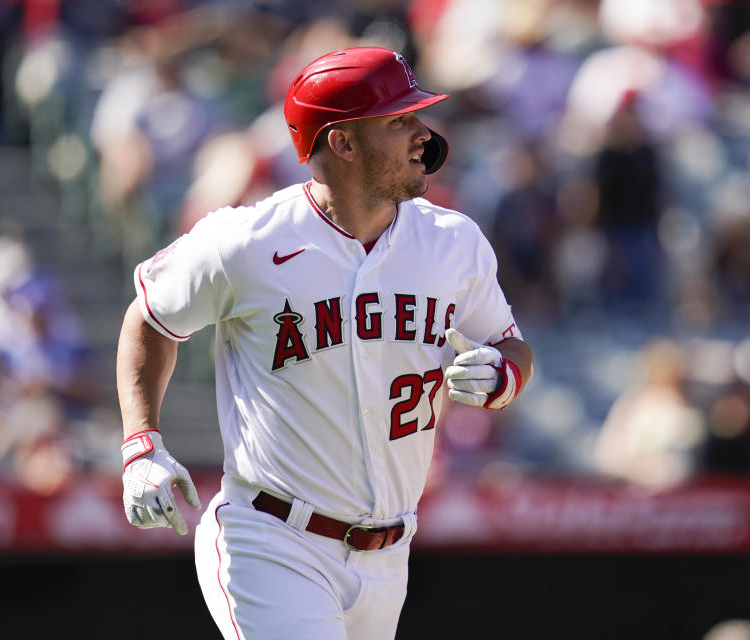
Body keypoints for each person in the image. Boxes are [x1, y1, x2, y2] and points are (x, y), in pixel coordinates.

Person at [115, 47, 533, 639]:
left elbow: (512, 346)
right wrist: (141, 445)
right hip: (272, 538)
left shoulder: (453, 241)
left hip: (390, 554)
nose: (422, 134)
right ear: (342, 143)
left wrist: (501, 377)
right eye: (399, 121)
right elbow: (151, 317)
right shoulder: (246, 242)